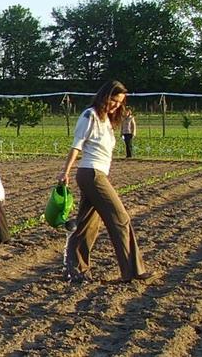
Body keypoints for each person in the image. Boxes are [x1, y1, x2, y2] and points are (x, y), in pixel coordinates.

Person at [57, 80, 151, 284]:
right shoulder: (89, 115)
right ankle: (132, 271)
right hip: (91, 174)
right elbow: (76, 147)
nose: (116, 105)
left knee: (86, 225)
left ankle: (75, 270)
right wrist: (64, 172)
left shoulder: (106, 120)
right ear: (104, 96)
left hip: (97, 174)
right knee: (120, 218)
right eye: (113, 100)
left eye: (119, 102)